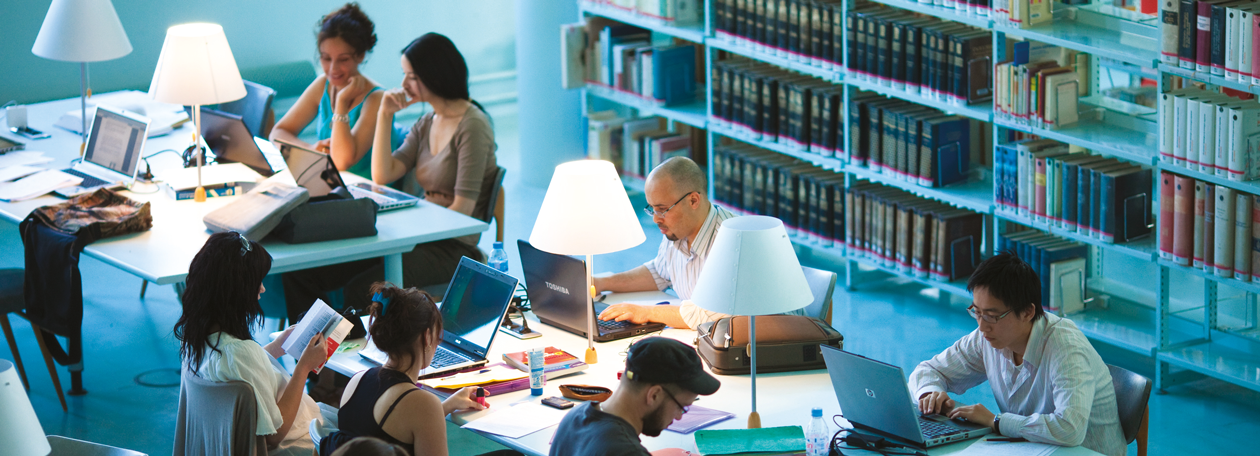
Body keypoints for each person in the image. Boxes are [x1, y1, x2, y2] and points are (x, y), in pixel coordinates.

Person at [282, 32, 497, 323]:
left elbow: (462, 210)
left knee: (363, 289)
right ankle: (312, 363)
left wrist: (411, 223)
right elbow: (383, 174)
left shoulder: (473, 125)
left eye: (411, 76)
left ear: (433, 76)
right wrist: (384, 113)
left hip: (450, 246)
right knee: (304, 271)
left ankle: (357, 363)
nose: (404, 84)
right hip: (419, 238)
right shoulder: (427, 121)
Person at [908, 252, 1126, 456]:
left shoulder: (1066, 348)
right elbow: (928, 370)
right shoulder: (986, 336)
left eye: (992, 315)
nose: (982, 326)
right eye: (977, 312)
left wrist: (996, 421)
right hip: (1032, 448)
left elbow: (1071, 429)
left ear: (1028, 312)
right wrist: (929, 394)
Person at [594, 157, 805, 329]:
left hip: (771, 349)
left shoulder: (733, 242)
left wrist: (645, 312)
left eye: (662, 209)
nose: (656, 218)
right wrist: (601, 282)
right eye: (652, 209)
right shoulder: (677, 230)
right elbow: (659, 273)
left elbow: (707, 313)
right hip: (722, 341)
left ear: (693, 200)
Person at [173, 232, 328, 456]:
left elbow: (235, 370)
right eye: (257, 282)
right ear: (236, 292)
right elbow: (275, 434)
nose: (263, 289)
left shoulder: (197, 338)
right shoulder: (241, 352)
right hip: (295, 443)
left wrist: (277, 347)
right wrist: (303, 368)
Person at [320, 284, 486, 456]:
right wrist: (435, 409)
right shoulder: (422, 404)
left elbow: (389, 430)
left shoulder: (357, 381)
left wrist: (447, 405)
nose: (438, 342)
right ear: (427, 336)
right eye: (438, 335)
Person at [269, 3, 401, 178]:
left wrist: (341, 103)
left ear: (360, 56)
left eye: (343, 59)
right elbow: (277, 133)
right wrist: (309, 149)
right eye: (326, 58)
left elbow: (341, 161)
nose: (333, 69)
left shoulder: (377, 98)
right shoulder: (323, 84)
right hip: (333, 186)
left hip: (370, 194)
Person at [549, 337, 720, 456]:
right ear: (654, 395)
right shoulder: (624, 451)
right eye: (681, 407)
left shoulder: (575, 417)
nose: (679, 417)